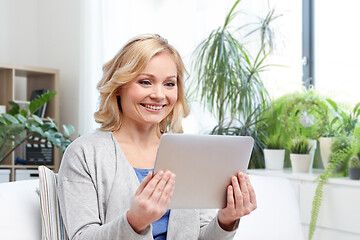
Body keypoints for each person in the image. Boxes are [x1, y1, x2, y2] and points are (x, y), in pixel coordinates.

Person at [57, 34, 257, 240]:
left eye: (169, 84)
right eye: (145, 82)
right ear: (118, 87)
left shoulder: (189, 153)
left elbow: (201, 235)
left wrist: (226, 220)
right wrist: (134, 222)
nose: (159, 95)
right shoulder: (84, 154)